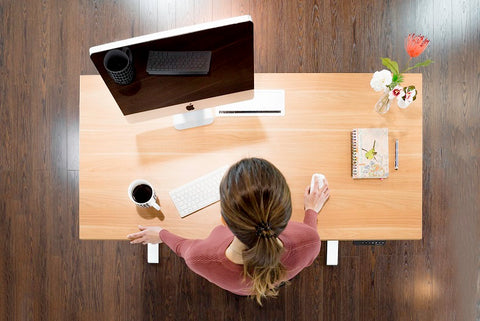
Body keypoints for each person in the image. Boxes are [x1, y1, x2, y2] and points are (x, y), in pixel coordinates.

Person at [127, 158, 330, 304]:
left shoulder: (200, 258)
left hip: (240, 289)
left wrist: (162, 234)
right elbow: (309, 233)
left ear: (223, 219)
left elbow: (182, 246)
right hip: (273, 280)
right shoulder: (310, 241)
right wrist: (311, 210)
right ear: (285, 213)